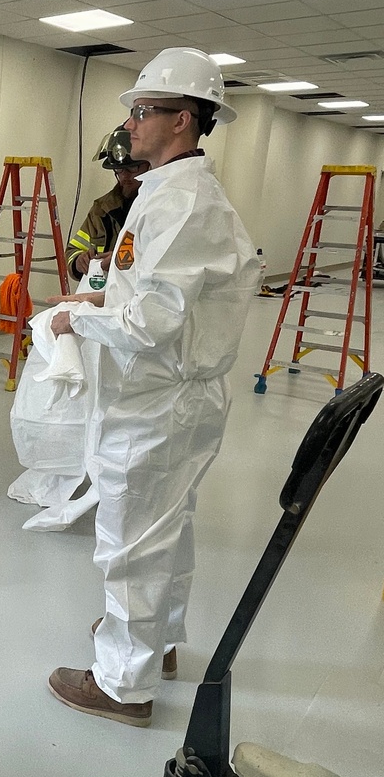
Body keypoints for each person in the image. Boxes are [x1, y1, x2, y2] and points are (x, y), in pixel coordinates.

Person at [45, 48, 258, 728]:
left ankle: (121, 684)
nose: (131, 123)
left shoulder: (183, 203)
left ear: (184, 118)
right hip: (170, 396)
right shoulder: (170, 193)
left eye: (144, 110)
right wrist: (99, 296)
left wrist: (78, 319)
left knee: (132, 539)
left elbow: (152, 322)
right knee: (165, 526)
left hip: (158, 402)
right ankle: (156, 641)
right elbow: (155, 296)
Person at [66, 127, 149, 281]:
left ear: (149, 165)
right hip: (105, 292)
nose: (125, 176)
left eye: (132, 167)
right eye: (119, 169)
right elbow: (73, 250)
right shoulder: (102, 209)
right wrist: (78, 260)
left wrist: (123, 261)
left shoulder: (159, 205)